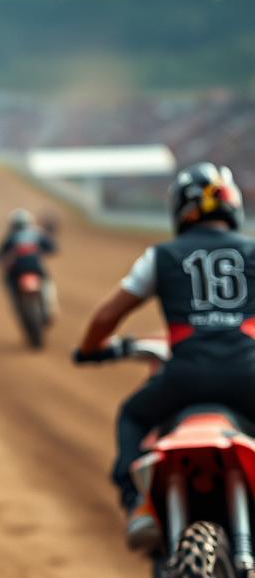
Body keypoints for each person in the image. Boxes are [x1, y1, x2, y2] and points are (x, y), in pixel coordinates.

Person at [74, 163, 255, 548]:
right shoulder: (253, 251)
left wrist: (91, 349)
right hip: (248, 376)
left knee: (133, 415)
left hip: (185, 377)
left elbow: (107, 315)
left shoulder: (163, 256)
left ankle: (139, 504)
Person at [0, 208, 57, 318]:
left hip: (16, 272)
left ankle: (17, 305)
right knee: (47, 281)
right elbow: (52, 248)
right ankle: (50, 307)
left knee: (9, 285)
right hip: (36, 268)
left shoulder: (11, 237)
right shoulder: (37, 233)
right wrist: (39, 252)